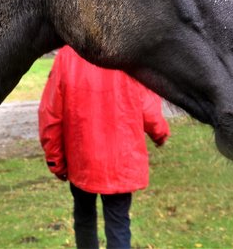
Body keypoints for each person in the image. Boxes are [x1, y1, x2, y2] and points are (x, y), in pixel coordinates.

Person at [38, 46, 170, 249]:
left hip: (82, 162)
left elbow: (50, 115)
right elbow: (148, 106)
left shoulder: (67, 57)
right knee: (118, 224)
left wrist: (56, 160)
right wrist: (160, 134)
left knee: (84, 219)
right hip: (120, 162)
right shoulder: (127, 54)